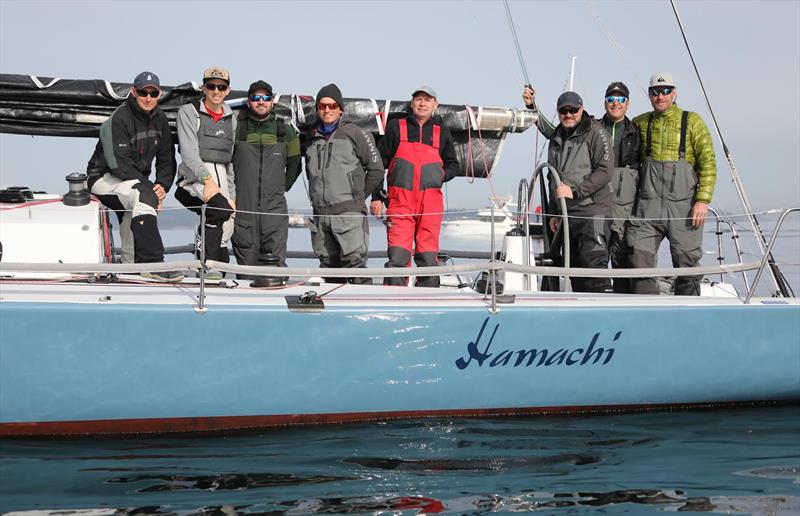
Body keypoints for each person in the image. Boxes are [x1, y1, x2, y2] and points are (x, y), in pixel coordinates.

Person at [85, 70, 180, 282]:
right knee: (143, 195)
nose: (148, 98)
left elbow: (167, 159)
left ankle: (131, 270)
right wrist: (149, 189)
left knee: (141, 199)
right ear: (133, 91)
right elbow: (120, 164)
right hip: (102, 178)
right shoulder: (119, 119)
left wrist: (162, 186)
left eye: (153, 93)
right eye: (143, 92)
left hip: (134, 182)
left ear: (159, 94)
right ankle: (154, 263)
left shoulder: (160, 118)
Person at [628, 73, 717, 296]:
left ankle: (688, 316)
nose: (660, 96)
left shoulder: (693, 121)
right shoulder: (640, 123)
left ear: (674, 93)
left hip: (684, 208)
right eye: (655, 92)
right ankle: (646, 311)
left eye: (665, 91)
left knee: (687, 263)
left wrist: (702, 201)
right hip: (647, 207)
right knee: (639, 260)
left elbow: (708, 162)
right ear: (649, 95)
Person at [373, 86, 460, 288]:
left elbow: (453, 165)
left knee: (428, 259)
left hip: (430, 203)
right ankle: (394, 301)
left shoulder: (441, 132)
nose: (422, 103)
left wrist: (440, 175)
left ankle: (429, 301)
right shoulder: (396, 127)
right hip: (399, 201)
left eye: (427, 100)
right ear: (412, 103)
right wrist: (377, 196)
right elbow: (379, 163)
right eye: (418, 99)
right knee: (397, 257)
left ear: (435, 105)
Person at [529, 90, 613, 293]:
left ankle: (602, 316)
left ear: (581, 108)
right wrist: (554, 212)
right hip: (567, 216)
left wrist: (575, 191)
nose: (568, 114)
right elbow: (553, 178)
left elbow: (605, 171)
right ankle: (580, 319)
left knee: (594, 269)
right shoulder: (557, 136)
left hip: (592, 213)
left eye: (573, 110)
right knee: (574, 272)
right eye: (563, 111)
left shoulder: (596, 132)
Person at [303, 83, 384, 283]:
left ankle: (360, 310)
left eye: (332, 105)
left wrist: (358, 197)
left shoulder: (355, 133)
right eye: (322, 106)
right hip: (321, 214)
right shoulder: (311, 137)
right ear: (317, 109)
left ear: (340, 108)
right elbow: (310, 171)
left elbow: (376, 169)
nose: (327, 110)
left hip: (348, 214)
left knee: (355, 266)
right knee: (328, 267)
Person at [231, 80, 301, 277]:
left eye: (265, 98)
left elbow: (296, 165)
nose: (260, 102)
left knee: (275, 270)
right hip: (243, 209)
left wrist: (281, 188)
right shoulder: (237, 129)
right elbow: (226, 163)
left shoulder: (285, 131)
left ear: (272, 102)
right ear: (248, 102)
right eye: (255, 98)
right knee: (245, 272)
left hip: (274, 211)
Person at [175, 66, 236, 280]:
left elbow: (230, 159)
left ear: (228, 90)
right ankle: (203, 265)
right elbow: (190, 154)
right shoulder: (189, 112)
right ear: (203, 88)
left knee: (227, 226)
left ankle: (217, 275)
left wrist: (233, 195)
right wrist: (207, 181)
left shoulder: (231, 117)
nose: (216, 91)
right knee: (217, 209)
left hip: (222, 178)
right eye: (211, 86)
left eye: (221, 87)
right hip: (193, 179)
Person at [600, 82, 640, 293]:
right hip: (597, 203)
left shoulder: (637, 132)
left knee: (621, 255)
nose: (616, 103)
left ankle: (622, 301)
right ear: (604, 102)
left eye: (621, 99)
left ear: (627, 103)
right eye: (611, 99)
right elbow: (556, 131)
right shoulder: (592, 128)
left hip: (625, 207)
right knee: (596, 253)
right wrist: (533, 107)